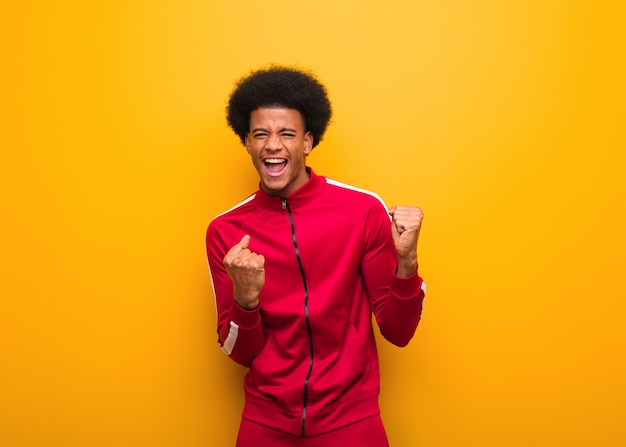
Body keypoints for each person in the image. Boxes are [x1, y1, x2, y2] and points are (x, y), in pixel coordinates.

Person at [206, 65, 426, 446]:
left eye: (286, 134)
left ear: (307, 143)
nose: (273, 145)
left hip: (352, 422)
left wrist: (406, 265)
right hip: (266, 424)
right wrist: (246, 299)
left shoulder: (362, 211)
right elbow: (240, 353)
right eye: (261, 134)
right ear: (247, 142)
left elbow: (398, 332)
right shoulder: (225, 232)